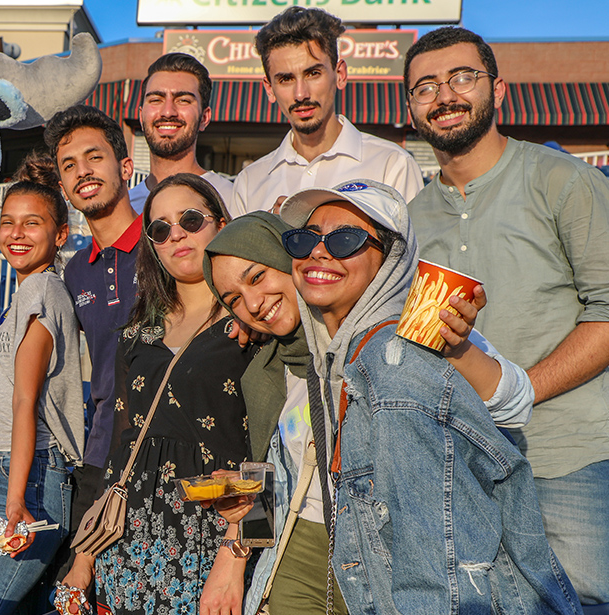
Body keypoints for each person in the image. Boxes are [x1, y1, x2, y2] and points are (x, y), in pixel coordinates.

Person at [202, 211, 534, 613]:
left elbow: (514, 407)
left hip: (399, 555)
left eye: (257, 277)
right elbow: (270, 480)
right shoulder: (263, 366)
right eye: (233, 299)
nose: (252, 304)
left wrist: (459, 349)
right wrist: (234, 554)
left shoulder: (410, 327)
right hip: (301, 552)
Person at [276, 179, 579, 613]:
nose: (319, 252)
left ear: (391, 259)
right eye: (304, 239)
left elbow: (433, 555)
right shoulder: (329, 349)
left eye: (346, 239)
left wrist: (458, 349)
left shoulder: (405, 347)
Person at [403, 28, 609, 610]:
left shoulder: (562, 180)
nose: (444, 95)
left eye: (461, 77)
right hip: (465, 474)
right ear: (411, 107)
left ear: (498, 88)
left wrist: (521, 391)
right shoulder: (412, 220)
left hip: (568, 457)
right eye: (425, 87)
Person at [62, 173, 254, 615]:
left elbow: (267, 452)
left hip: (213, 543)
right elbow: (121, 447)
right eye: (160, 229)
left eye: (190, 218)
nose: (177, 234)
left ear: (222, 223)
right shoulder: (139, 328)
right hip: (129, 549)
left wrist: (238, 551)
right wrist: (85, 557)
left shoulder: (254, 320)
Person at [0, 170, 85, 615]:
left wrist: (15, 500)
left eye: (32, 223)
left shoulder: (44, 292)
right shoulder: (20, 298)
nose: (16, 233)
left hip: (24, 479)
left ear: (60, 234)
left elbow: (24, 401)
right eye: (8, 221)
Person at [43, 106, 140, 585]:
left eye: (93, 157)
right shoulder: (75, 270)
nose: (83, 171)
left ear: (124, 168)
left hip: (173, 450)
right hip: (100, 453)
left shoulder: (169, 244)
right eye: (69, 165)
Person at [229, 7, 423, 217]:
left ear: (339, 74)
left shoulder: (392, 166)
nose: (301, 94)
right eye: (286, 79)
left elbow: (411, 249)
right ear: (269, 88)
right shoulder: (249, 183)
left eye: (313, 73)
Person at [128, 53, 234, 210]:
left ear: (204, 117)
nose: (168, 112)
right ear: (141, 116)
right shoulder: (126, 208)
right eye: (156, 100)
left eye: (183, 100)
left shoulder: (230, 200)